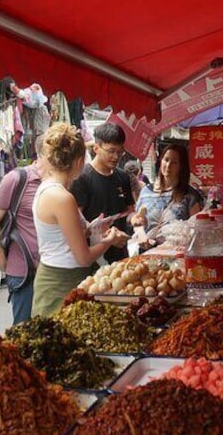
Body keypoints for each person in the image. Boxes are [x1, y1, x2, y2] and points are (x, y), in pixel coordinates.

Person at [32, 123, 128, 316]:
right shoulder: (63, 198)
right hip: (62, 280)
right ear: (78, 161)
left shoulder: (47, 189)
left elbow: (62, 234)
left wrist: (93, 228)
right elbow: (83, 258)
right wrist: (108, 241)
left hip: (55, 275)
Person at [0, 135, 46, 325]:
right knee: (24, 333)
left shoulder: (63, 183)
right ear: (43, 153)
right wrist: (2, 261)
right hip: (24, 271)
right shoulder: (17, 179)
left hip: (53, 272)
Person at [70, 122, 134, 263]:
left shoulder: (123, 177)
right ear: (96, 148)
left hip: (121, 255)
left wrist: (136, 219)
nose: (116, 156)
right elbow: (77, 223)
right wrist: (108, 238)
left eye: (120, 152)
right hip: (94, 258)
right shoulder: (82, 178)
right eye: (111, 151)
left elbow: (129, 212)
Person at [131, 144, 202, 232]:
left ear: (181, 166)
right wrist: (139, 231)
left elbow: (196, 230)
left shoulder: (190, 196)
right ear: (161, 161)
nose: (168, 166)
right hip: (146, 244)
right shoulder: (146, 191)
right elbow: (138, 220)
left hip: (175, 245)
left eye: (174, 162)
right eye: (166, 160)